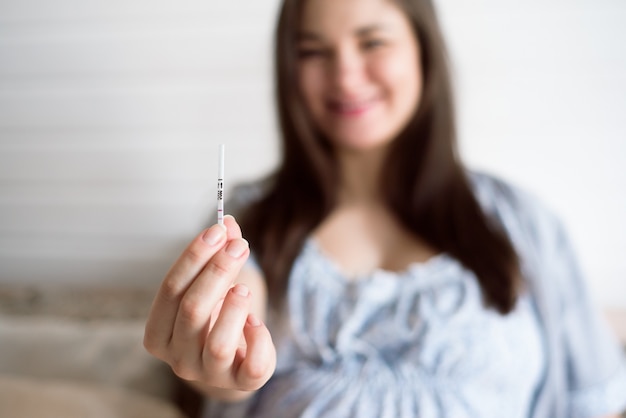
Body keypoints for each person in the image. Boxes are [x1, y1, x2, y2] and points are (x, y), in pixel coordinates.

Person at [144, 0, 626, 416]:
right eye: (313, 51)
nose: (346, 76)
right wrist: (213, 362)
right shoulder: (249, 221)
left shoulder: (522, 222)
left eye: (372, 42)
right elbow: (222, 357)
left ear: (423, 49)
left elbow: (594, 404)